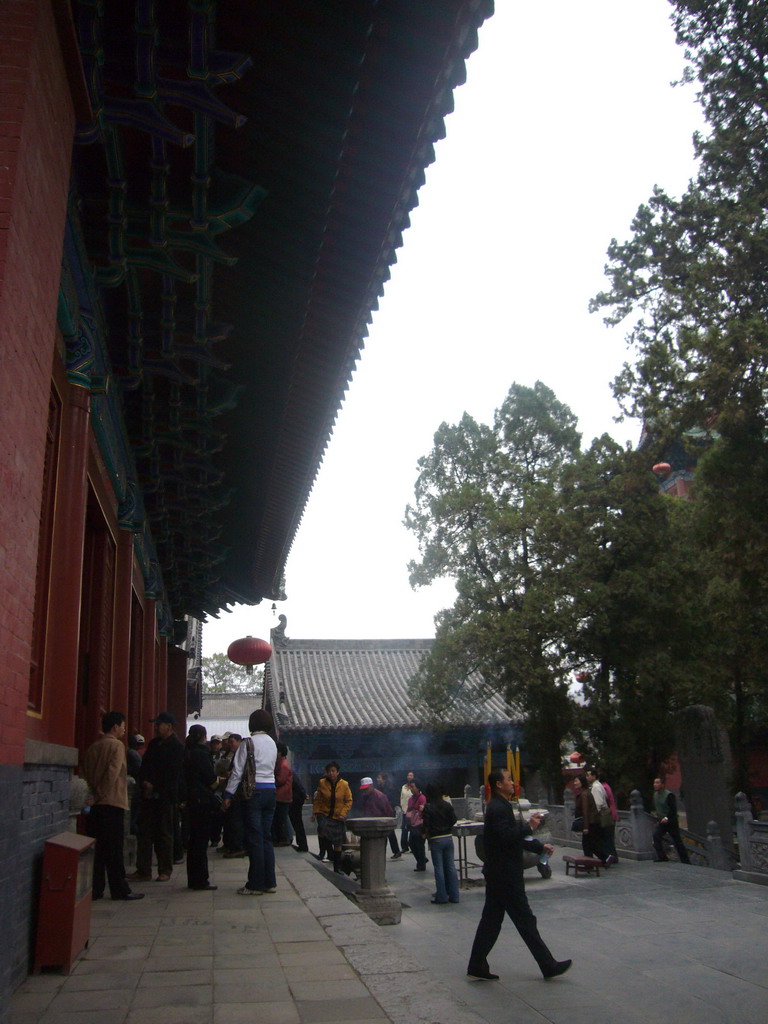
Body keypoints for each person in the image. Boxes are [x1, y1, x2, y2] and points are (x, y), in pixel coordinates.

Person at [467, 768, 571, 981]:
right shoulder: (497, 807)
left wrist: (539, 848)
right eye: (508, 779)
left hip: (499, 873)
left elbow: (512, 839)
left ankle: (477, 964)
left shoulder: (501, 806)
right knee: (524, 919)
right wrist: (530, 827)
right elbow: (506, 837)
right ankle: (548, 965)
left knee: (491, 921)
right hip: (505, 874)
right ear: (498, 784)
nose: (512, 782)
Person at [82, 711, 144, 901]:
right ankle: (120, 889)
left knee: (98, 851)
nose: (124, 729)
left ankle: (97, 888)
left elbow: (85, 773)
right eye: (123, 726)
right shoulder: (117, 746)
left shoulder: (93, 747)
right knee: (115, 850)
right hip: (111, 802)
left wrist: (92, 796)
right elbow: (112, 773)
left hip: (96, 806)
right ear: (115, 726)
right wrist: (100, 794)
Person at [224, 709, 279, 895]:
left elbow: (238, 772)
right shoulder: (273, 743)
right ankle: (270, 881)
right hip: (271, 791)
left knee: (254, 838)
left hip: (254, 792)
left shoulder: (247, 743)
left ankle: (255, 883)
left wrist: (228, 794)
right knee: (266, 837)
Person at [130, 711, 184, 882]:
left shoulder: (176, 747)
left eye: (159, 724)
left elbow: (173, 773)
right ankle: (143, 869)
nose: (156, 727)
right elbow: (144, 767)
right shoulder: (153, 744)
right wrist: (145, 782)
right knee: (144, 833)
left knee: (164, 834)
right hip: (147, 795)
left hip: (165, 796)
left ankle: (165, 869)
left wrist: (155, 784)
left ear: (168, 726)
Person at [184, 724, 218, 890]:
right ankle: (201, 879)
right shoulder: (202, 754)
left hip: (190, 800)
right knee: (201, 842)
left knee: (193, 842)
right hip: (202, 801)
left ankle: (193, 878)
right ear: (204, 737)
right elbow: (211, 780)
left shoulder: (187, 752)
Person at [312, 761, 353, 873]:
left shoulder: (344, 784)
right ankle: (323, 852)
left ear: (338, 772)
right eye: (329, 771)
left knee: (338, 842)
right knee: (322, 829)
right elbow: (318, 799)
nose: (331, 773)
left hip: (338, 816)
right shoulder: (322, 783)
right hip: (325, 814)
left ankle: (337, 867)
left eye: (333, 771)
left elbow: (348, 800)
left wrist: (343, 814)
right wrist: (315, 812)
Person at [423, 782, 459, 904]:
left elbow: (426, 824)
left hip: (436, 839)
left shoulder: (428, 807)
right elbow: (454, 819)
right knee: (450, 866)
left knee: (439, 868)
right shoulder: (447, 805)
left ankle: (442, 896)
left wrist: (429, 832)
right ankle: (454, 896)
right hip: (448, 838)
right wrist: (447, 827)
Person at [572, 774, 611, 865]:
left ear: (582, 782)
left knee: (588, 844)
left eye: (576, 781)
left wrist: (586, 827)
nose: (575, 783)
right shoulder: (585, 793)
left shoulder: (585, 794)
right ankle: (604, 859)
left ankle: (592, 862)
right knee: (591, 844)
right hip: (592, 822)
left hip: (591, 823)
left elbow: (586, 812)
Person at [652, 777, 691, 864]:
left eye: (658, 783)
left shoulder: (669, 795)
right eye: (655, 783)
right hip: (662, 821)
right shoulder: (656, 795)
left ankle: (685, 861)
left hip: (671, 821)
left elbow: (673, 810)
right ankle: (662, 857)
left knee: (677, 841)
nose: (655, 785)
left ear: (662, 785)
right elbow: (658, 809)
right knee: (656, 836)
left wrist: (667, 818)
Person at [272, 742, 293, 846]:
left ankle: (284, 838)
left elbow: (280, 780)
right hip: (281, 795)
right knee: (281, 818)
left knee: (280, 819)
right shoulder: (281, 763)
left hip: (282, 795)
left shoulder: (283, 765)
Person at [376, 771, 401, 858]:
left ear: (383, 779)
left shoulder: (388, 788)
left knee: (387, 831)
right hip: (384, 811)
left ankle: (385, 851)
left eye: (379, 778)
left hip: (388, 811)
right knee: (389, 832)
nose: (377, 779)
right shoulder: (381, 787)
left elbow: (389, 801)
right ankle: (396, 851)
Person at [405, 780, 428, 871]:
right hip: (412, 824)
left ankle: (421, 865)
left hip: (420, 824)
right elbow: (408, 810)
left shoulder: (422, 798)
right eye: (410, 787)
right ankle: (422, 860)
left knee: (419, 845)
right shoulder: (410, 799)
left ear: (418, 788)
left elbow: (423, 810)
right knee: (411, 844)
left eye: (413, 786)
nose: (411, 788)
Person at [289, 769, 309, 852]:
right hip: (296, 799)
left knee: (297, 823)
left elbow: (298, 786)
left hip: (295, 800)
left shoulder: (287, 770)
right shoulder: (290, 771)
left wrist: (303, 794)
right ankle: (302, 844)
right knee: (297, 823)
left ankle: (302, 845)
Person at [399, 770, 415, 853]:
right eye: (408, 775)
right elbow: (401, 798)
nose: (409, 776)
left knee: (413, 829)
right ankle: (404, 847)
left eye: (411, 775)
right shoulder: (403, 787)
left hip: (413, 812)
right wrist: (402, 808)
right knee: (404, 829)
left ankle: (413, 846)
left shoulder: (415, 787)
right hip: (405, 811)